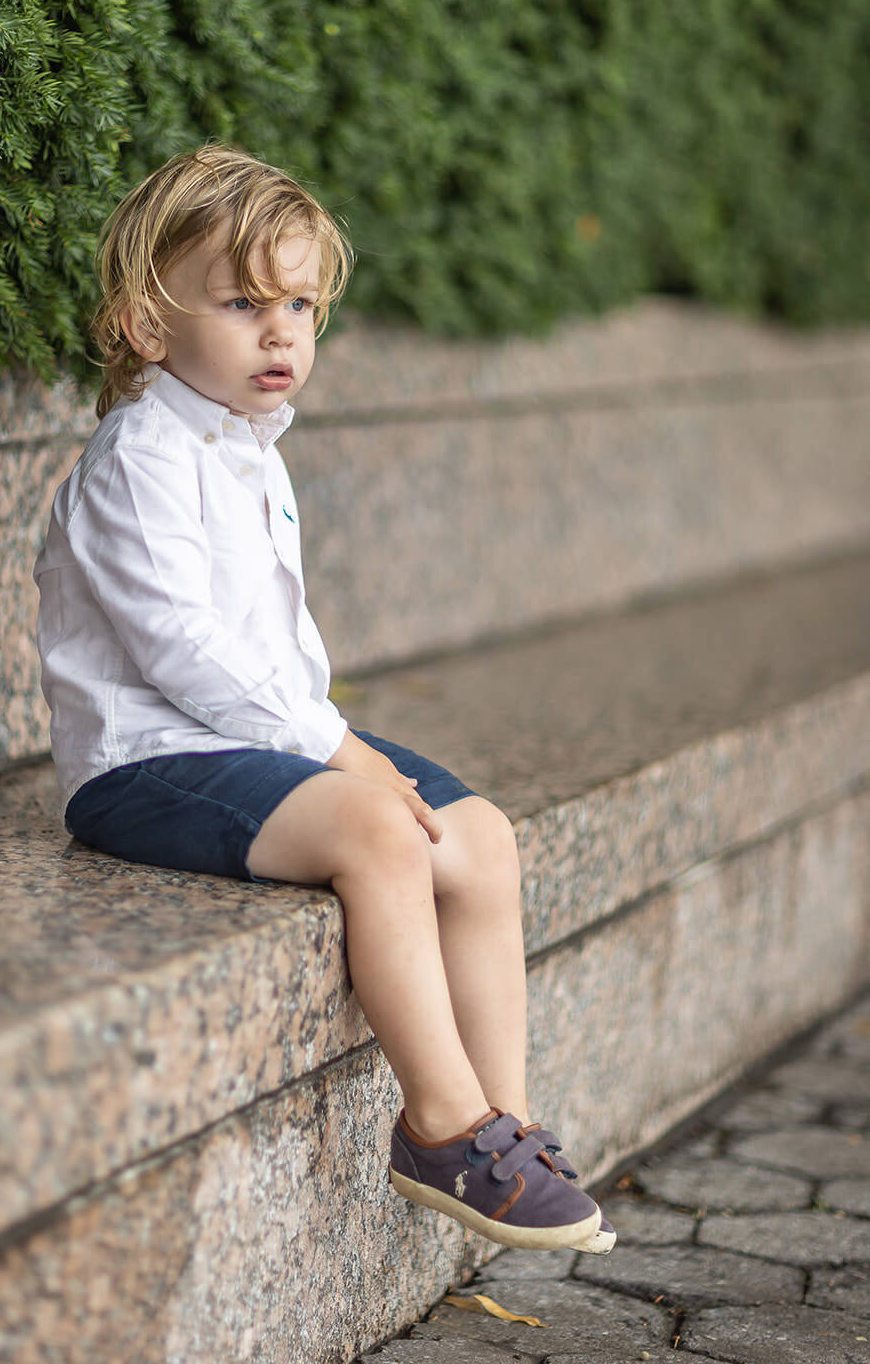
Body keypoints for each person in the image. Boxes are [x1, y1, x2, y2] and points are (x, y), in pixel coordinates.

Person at [34, 143, 614, 1256]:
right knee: (375, 828)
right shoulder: (138, 457)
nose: (280, 331)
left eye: (298, 302)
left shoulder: (250, 447)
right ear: (149, 325)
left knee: (480, 839)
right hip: (145, 762)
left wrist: (327, 741)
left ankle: (506, 1125)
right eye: (242, 301)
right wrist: (337, 750)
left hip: (255, 744)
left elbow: (276, 643)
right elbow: (183, 654)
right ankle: (440, 1128)